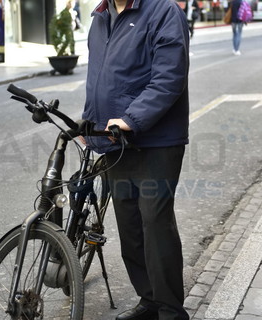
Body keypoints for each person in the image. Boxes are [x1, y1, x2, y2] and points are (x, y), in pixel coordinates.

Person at [82, 0, 190, 319]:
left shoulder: (163, 11)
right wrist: (89, 122)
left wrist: (131, 119)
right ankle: (150, 299)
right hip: (115, 140)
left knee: (155, 224)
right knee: (129, 227)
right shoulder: (100, 17)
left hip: (156, 141)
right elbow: (97, 80)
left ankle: (171, 310)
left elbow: (169, 78)